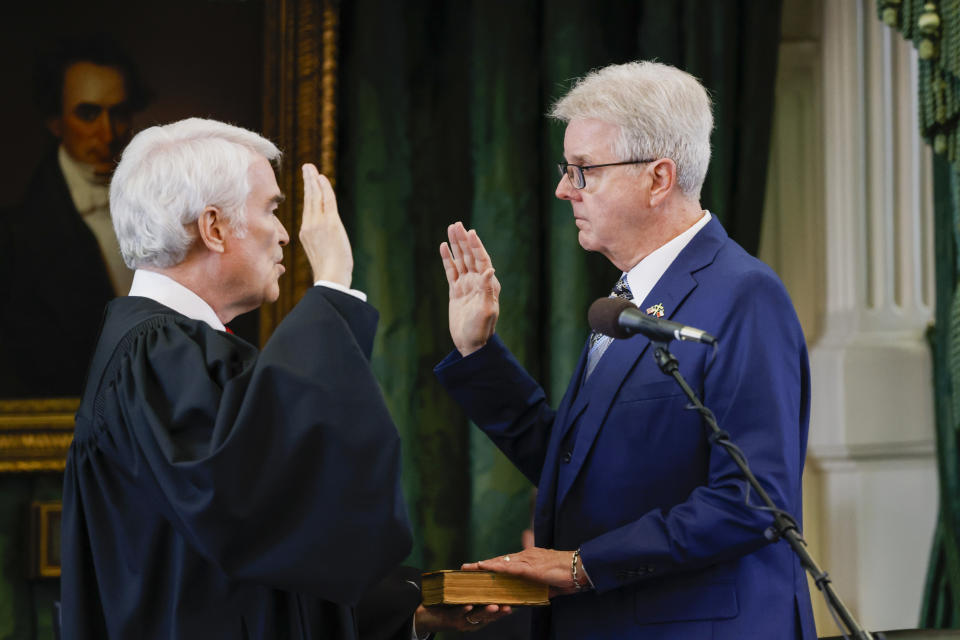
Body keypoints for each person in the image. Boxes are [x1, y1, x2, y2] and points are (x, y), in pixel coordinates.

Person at [434, 61, 816, 639]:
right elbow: (578, 467)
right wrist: (477, 351)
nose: (564, 188)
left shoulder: (744, 294)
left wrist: (582, 566)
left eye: (584, 170)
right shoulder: (630, 298)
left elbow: (752, 499)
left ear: (658, 179)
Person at [60, 117, 414, 639]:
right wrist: (333, 288)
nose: (286, 233)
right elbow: (251, 506)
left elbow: (249, 564)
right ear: (214, 227)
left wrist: (407, 610)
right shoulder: (156, 353)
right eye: (271, 208)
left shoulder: (167, 349)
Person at [0, 37, 148, 396]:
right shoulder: (15, 237)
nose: (108, 133)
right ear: (55, 121)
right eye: (88, 113)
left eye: (119, 112)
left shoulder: (162, 204)